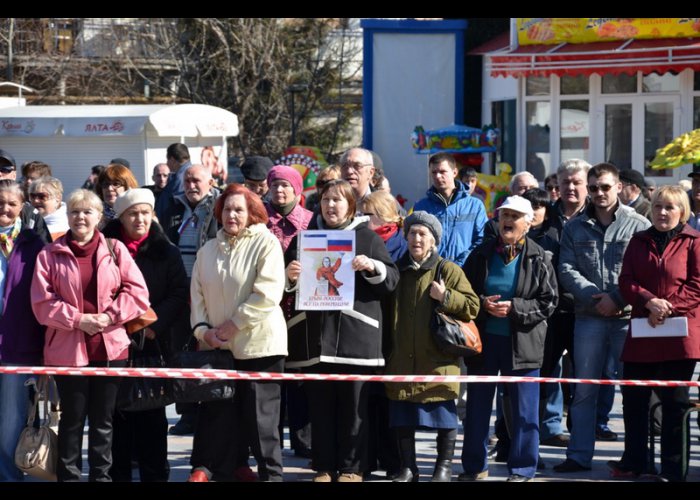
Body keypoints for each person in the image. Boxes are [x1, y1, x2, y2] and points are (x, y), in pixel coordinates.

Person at [31, 188, 149, 482]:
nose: (80, 217)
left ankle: (101, 477)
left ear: (99, 216)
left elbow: (138, 293)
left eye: (87, 211)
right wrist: (78, 320)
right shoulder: (49, 254)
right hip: (67, 351)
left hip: (110, 349)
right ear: (66, 216)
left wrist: (109, 316)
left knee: (103, 422)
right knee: (71, 421)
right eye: (74, 211)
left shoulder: (115, 249)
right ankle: (69, 478)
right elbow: (41, 303)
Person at [285, 179, 399, 482]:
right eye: (325, 200)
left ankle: (352, 468)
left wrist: (373, 267)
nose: (331, 205)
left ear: (351, 205)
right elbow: (285, 288)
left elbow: (392, 282)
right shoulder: (304, 239)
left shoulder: (368, 239)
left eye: (338, 200)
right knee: (319, 410)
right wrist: (291, 276)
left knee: (354, 411)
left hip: (356, 341)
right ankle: (323, 466)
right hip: (315, 341)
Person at [554, 163, 651, 474]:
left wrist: (617, 299)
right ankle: (579, 455)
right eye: (593, 187)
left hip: (626, 318)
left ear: (619, 186)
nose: (598, 193)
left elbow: (644, 270)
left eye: (605, 187)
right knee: (584, 389)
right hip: (589, 316)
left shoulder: (638, 224)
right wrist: (597, 297)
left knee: (634, 390)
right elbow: (566, 270)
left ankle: (636, 459)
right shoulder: (574, 227)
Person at [188, 184, 287, 482]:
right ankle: (226, 468)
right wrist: (203, 331)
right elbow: (197, 295)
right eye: (227, 209)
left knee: (261, 420)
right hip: (218, 347)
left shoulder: (266, 243)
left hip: (261, 347)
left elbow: (268, 293)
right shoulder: (207, 250)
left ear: (252, 213)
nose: (232, 215)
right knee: (220, 415)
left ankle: (272, 475)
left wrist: (234, 324)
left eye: (239, 210)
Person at [460, 196, 558, 483]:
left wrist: (515, 308)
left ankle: (523, 468)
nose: (507, 221)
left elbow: (549, 302)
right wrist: (482, 304)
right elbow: (464, 294)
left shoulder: (539, 256)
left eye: (515, 216)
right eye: (504, 215)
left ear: (528, 224)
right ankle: (474, 466)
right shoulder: (481, 254)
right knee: (477, 408)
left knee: (525, 411)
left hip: (523, 343)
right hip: (485, 342)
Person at [608, 185, 700, 482]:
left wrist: (667, 308)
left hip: (680, 334)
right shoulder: (639, 240)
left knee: (674, 406)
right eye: (658, 206)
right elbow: (626, 281)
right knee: (634, 401)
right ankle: (636, 462)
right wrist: (648, 301)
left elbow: (697, 284)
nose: (662, 212)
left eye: (669, 207)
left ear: (682, 212)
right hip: (643, 332)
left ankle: (674, 469)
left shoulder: (694, 242)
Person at [386, 211, 479, 483]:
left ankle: (443, 468)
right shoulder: (397, 269)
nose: (416, 238)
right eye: (412, 233)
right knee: (402, 413)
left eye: (423, 234)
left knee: (444, 415)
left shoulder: (447, 269)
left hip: (438, 359)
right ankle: (408, 468)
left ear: (434, 240)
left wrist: (446, 296)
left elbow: (473, 305)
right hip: (403, 356)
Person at [104, 189, 189, 482]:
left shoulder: (167, 250)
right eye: (132, 213)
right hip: (112, 343)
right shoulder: (106, 248)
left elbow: (179, 294)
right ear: (122, 217)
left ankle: (155, 475)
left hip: (152, 342)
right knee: (116, 418)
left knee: (152, 417)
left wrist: (154, 324)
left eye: (145, 213)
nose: (140, 219)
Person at [263, 164, 313, 460]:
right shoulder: (259, 221)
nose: (280, 191)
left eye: (286, 185)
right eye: (275, 185)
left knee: (301, 376)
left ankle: (303, 439)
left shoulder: (310, 221)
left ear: (296, 189)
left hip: (301, 308)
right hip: (268, 308)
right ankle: (269, 441)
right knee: (271, 377)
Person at [0, 180, 47, 482]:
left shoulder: (33, 245)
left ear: (21, 208)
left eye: (11, 204)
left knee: (11, 418)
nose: (4, 209)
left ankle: (7, 476)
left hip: (16, 346)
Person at [413, 152, 488, 266]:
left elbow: (482, 239)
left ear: (454, 172)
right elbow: (415, 240)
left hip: (465, 271)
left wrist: (458, 265)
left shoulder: (475, 205)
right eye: (434, 172)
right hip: (431, 271)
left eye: (442, 171)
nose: (438, 176)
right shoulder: (421, 207)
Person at [95, 164, 139, 229]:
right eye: (105, 184)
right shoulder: (94, 216)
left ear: (127, 186)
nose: (109, 188)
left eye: (116, 184)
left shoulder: (139, 213)